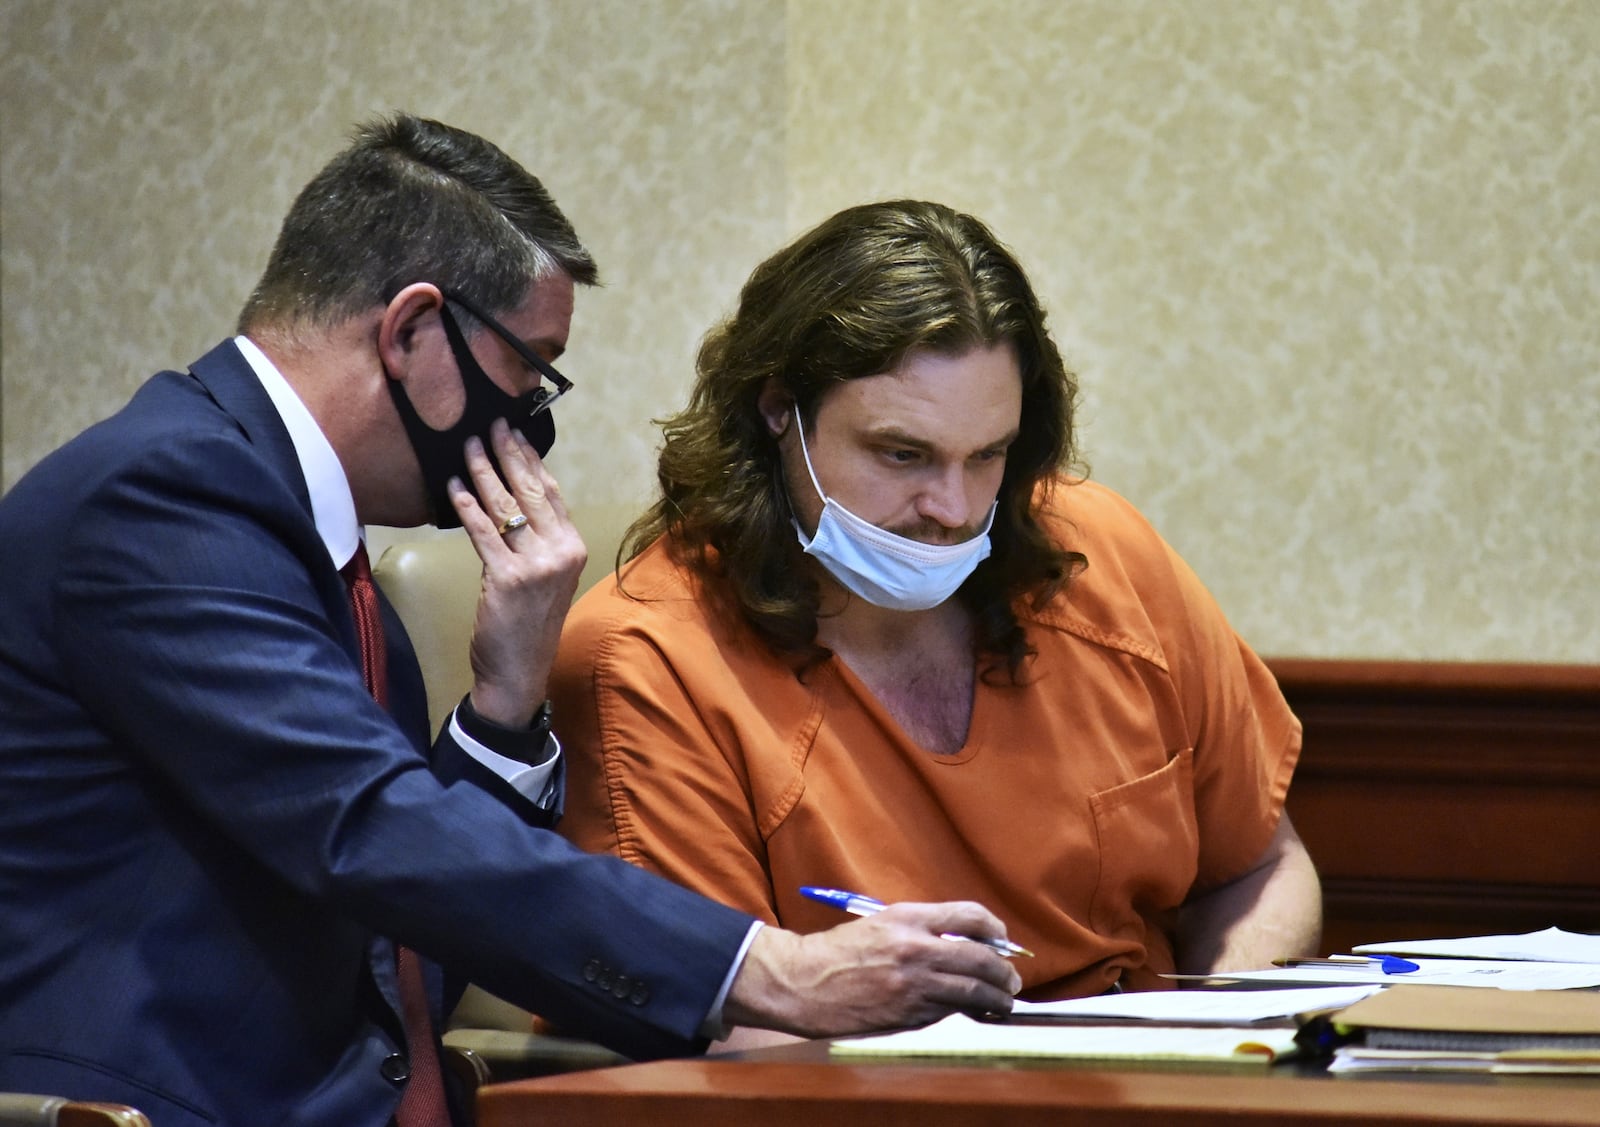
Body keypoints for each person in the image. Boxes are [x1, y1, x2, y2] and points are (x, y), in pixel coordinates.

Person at [0, 120, 1022, 1127]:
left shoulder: (303, 533)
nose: (533, 411)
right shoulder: (160, 500)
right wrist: (774, 967)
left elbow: (402, 917)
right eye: (533, 365)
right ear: (411, 331)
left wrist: (503, 699)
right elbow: (369, 826)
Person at [551, 199, 1323, 1050]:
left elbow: (1261, 869)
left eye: (986, 455)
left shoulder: (1101, 552)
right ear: (780, 411)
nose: (951, 510)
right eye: (903, 454)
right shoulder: (647, 655)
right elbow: (731, 1031)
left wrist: (1223, 1043)